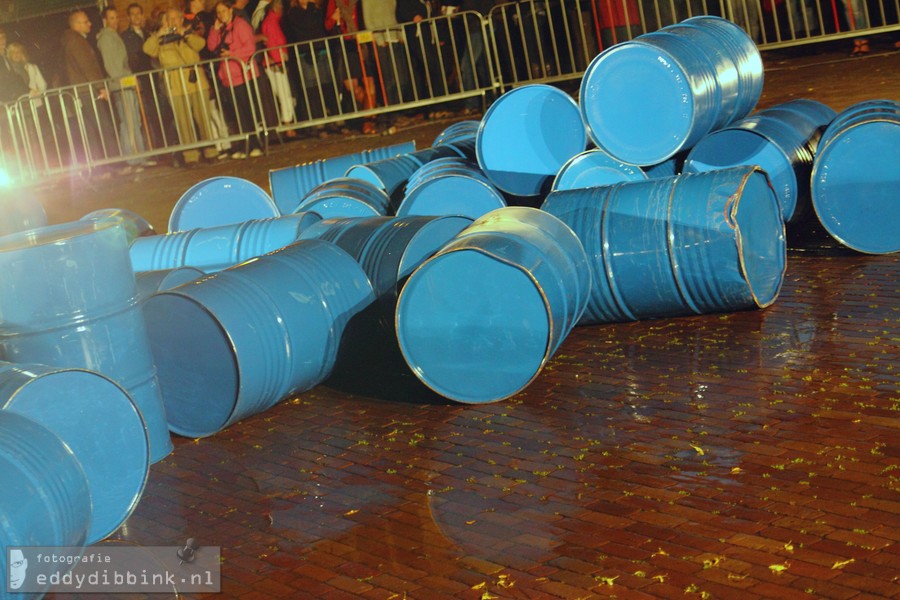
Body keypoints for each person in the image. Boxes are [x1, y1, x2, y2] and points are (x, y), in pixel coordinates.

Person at [144, 7, 220, 166]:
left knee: (203, 118)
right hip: (176, 85)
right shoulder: (161, 38)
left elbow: (200, 44)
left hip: (195, 82)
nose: (172, 22)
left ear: (181, 19)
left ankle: (210, 151)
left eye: (175, 18)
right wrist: (160, 33)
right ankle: (191, 156)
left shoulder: (189, 33)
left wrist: (184, 34)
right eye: (169, 19)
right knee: (183, 121)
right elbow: (148, 50)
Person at [97, 6, 155, 170]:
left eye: (116, 17)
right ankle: (133, 159)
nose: (115, 21)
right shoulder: (107, 38)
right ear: (105, 20)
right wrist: (127, 81)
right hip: (121, 84)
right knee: (129, 122)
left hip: (125, 83)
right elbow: (113, 67)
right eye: (112, 18)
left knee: (133, 120)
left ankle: (140, 156)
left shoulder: (113, 36)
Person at [61, 10, 120, 164]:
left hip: (82, 92)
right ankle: (115, 164)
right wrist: (100, 87)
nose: (90, 24)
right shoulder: (77, 42)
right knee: (104, 128)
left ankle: (100, 167)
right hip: (88, 92)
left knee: (91, 131)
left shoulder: (70, 41)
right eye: (86, 21)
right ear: (77, 24)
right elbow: (87, 67)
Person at [207, 0, 265, 158]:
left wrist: (232, 54)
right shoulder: (220, 30)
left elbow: (250, 47)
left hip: (243, 75)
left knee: (248, 112)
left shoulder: (240, 25)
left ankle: (255, 144)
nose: (221, 15)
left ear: (230, 10)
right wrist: (214, 28)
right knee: (237, 115)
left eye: (223, 11)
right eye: (218, 13)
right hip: (228, 78)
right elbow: (212, 46)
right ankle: (243, 145)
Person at [122, 3, 178, 155]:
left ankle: (169, 144)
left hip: (155, 77)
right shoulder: (125, 37)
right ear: (128, 17)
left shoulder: (149, 33)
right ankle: (159, 148)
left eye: (139, 13)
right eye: (133, 14)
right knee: (150, 115)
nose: (136, 17)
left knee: (163, 111)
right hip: (143, 79)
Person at [324, 0, 378, 133]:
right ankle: (374, 111)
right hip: (345, 45)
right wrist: (333, 18)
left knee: (369, 84)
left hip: (362, 42)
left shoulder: (359, 2)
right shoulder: (334, 2)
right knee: (352, 87)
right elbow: (327, 25)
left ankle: (367, 123)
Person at [260, 0, 298, 135]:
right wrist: (279, 63)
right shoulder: (271, 23)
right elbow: (272, 45)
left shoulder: (272, 21)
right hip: (275, 64)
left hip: (274, 63)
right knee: (284, 93)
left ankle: (288, 123)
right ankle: (288, 125)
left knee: (283, 93)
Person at [0, 29, 29, 103]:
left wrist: (28, 90)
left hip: (10, 100)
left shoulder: (5, 58)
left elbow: (13, 77)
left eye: (3, 38)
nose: (3, 41)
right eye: (0, 38)